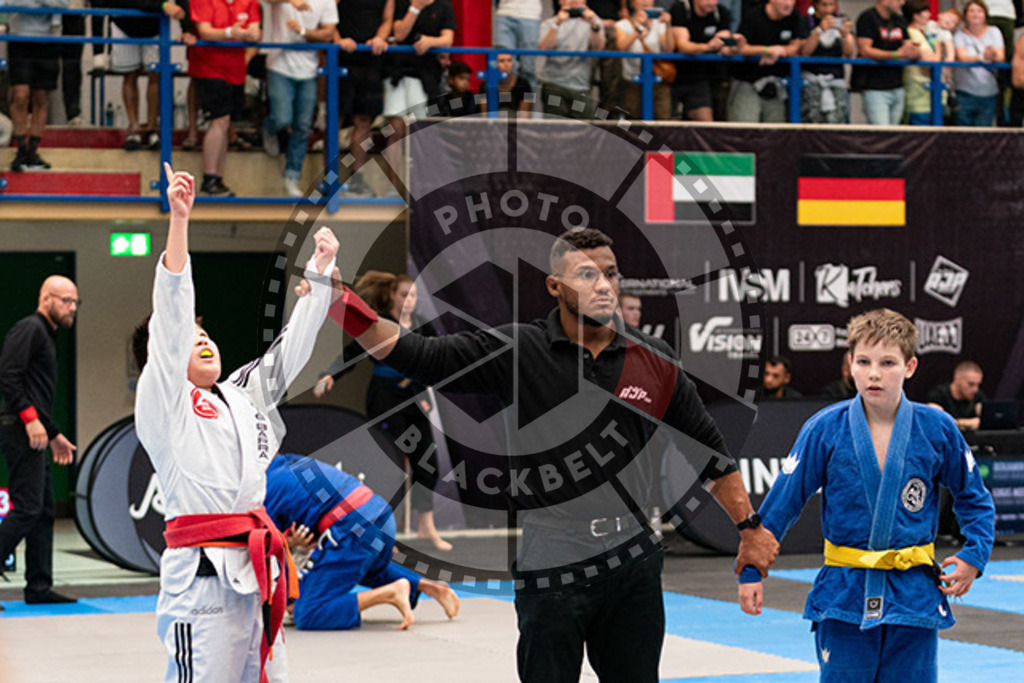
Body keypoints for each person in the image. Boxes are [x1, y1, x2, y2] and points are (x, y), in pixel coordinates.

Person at [325, 228, 778, 682]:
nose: (603, 285)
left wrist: (749, 527)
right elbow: (420, 356)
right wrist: (340, 302)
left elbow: (706, 449)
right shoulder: (520, 350)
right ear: (554, 286)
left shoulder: (653, 359)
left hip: (633, 554)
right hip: (552, 553)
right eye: (586, 274)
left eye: (610, 274)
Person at [133, 163, 339, 681]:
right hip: (201, 577)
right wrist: (179, 222)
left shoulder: (242, 395)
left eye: (206, 333)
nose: (202, 338)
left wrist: (319, 274)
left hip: (255, 571)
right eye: (191, 337)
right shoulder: (165, 402)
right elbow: (172, 316)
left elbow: (290, 352)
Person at [738, 308, 995, 682]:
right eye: (864, 362)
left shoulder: (937, 428)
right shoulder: (824, 428)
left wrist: (974, 554)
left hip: (913, 593)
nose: (874, 373)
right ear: (850, 365)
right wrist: (751, 569)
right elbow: (783, 503)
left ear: (910, 366)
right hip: (845, 592)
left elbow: (974, 497)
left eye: (887, 363)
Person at [313, 272, 452, 551]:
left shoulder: (423, 326)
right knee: (390, 464)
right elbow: (353, 353)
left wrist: (426, 390)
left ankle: (426, 526)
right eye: (404, 295)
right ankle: (387, 530)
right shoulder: (379, 324)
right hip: (385, 398)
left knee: (427, 461)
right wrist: (329, 375)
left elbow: (438, 357)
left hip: (415, 398)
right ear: (391, 296)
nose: (409, 301)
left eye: (413, 295)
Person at [264, 452, 460, 630]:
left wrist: (290, 600)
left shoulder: (267, 486)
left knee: (308, 612)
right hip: (379, 514)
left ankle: (390, 593)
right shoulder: (290, 462)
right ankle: (427, 586)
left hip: (353, 527)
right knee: (366, 567)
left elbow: (272, 549)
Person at [0, 276, 79, 605]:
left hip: (32, 429)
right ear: (46, 298)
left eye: (75, 302)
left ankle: (38, 587)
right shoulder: (30, 329)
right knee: (28, 508)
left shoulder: (46, 334)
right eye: (66, 301)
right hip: (19, 429)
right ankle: (37, 585)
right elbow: (8, 374)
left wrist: (54, 433)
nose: (72, 308)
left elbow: (36, 392)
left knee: (44, 508)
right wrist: (30, 419)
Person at [261, 0, 339, 197]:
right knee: (282, 118)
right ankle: (269, 127)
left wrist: (303, 31)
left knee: (303, 126)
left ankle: (292, 176)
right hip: (279, 66)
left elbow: (328, 33)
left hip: (309, 70)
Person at [189, 0, 263, 196]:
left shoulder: (249, 2)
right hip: (209, 68)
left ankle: (217, 177)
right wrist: (230, 32)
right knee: (219, 120)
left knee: (226, 122)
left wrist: (251, 34)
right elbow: (204, 31)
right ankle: (209, 178)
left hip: (236, 69)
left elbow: (255, 30)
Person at [334, 0, 393, 196]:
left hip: (371, 58)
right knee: (336, 119)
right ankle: (329, 178)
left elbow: (387, 19)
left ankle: (357, 177)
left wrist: (380, 38)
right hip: (342, 57)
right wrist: (338, 39)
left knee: (364, 120)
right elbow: (327, 14)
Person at [7, 0, 69, 172]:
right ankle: (21, 149)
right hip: (19, 38)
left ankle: (33, 152)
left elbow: (63, 4)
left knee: (41, 98)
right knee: (20, 95)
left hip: (49, 39)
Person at [729, 0, 807, 123]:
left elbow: (796, 45)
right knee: (745, 127)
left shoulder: (793, 15)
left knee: (775, 130)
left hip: (776, 83)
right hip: (748, 80)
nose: (788, 4)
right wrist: (766, 50)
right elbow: (740, 48)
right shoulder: (753, 15)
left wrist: (782, 51)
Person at [101, 0, 163, 150]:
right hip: (123, 22)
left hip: (154, 23)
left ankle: (152, 128)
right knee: (129, 75)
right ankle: (134, 127)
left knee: (155, 76)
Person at [852, 0, 920, 126]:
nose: (902, 3)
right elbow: (865, 50)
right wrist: (896, 55)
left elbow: (908, 46)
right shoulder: (868, 18)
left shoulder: (899, 20)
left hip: (897, 85)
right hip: (875, 87)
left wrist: (914, 52)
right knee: (882, 131)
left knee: (894, 132)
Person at [671, 0, 741, 122]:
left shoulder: (720, 12)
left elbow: (723, 43)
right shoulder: (681, 9)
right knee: (667, 123)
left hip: (699, 79)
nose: (712, 2)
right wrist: (708, 47)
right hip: (672, 77)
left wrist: (732, 47)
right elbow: (683, 46)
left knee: (706, 123)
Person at [538, 0, 606, 118]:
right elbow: (543, 48)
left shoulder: (594, 21)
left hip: (580, 86)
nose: (574, 1)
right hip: (553, 84)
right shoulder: (549, 23)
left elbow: (598, 48)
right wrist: (557, 24)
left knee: (585, 126)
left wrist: (593, 23)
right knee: (554, 125)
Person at [615, 0, 675, 119]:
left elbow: (668, 49)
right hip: (632, 80)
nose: (645, 2)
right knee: (633, 119)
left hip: (657, 78)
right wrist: (639, 28)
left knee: (663, 118)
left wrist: (668, 25)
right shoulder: (622, 24)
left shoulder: (660, 23)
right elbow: (621, 47)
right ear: (632, 3)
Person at [800, 0, 854, 124]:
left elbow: (849, 53)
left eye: (831, 4)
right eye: (824, 5)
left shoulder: (842, 20)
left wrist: (845, 35)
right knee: (812, 120)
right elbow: (805, 52)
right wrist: (819, 31)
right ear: (815, 5)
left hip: (836, 79)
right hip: (811, 81)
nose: (828, 9)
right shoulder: (806, 21)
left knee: (838, 121)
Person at [952, 0, 1004, 127]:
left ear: (985, 14)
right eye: (971, 11)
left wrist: (992, 55)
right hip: (965, 91)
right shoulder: (959, 35)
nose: (975, 14)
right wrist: (982, 56)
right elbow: (962, 57)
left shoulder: (994, 31)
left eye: (979, 11)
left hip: (989, 91)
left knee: (984, 132)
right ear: (965, 15)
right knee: (963, 131)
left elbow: (1000, 56)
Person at [904, 0, 945, 125]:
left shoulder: (924, 33)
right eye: (926, 12)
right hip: (920, 97)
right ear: (916, 16)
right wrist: (938, 47)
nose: (929, 15)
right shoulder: (912, 34)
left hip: (933, 96)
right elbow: (929, 63)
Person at [588, 0, 630, 112]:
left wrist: (620, 18)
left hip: (614, 28)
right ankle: (584, 115)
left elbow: (625, 12)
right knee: (586, 78)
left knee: (611, 82)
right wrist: (597, 22)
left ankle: (605, 116)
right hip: (586, 26)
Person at [495, 0, 543, 91]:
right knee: (505, 65)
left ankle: (529, 99)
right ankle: (506, 99)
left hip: (530, 14)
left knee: (528, 67)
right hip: (504, 12)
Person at [926, 360, 987, 431]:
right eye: (971, 384)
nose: (975, 389)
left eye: (978, 385)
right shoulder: (938, 395)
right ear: (957, 379)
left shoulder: (978, 396)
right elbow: (937, 421)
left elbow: (987, 421)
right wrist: (967, 423)